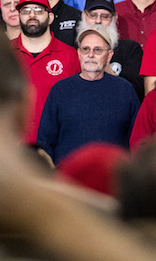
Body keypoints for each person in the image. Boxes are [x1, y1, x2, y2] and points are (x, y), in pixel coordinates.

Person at [36, 24, 139, 163]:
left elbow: (137, 140)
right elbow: (45, 140)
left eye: (98, 50)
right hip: (68, 179)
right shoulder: (60, 90)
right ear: (78, 53)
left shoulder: (125, 90)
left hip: (113, 178)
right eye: (86, 49)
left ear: (109, 55)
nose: (90, 55)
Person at [10, 0, 81, 142]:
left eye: (38, 10)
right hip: (12, 148)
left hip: (56, 146)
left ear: (50, 17)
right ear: (19, 16)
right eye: (26, 11)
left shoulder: (70, 55)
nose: (32, 15)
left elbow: (79, 104)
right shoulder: (3, 53)